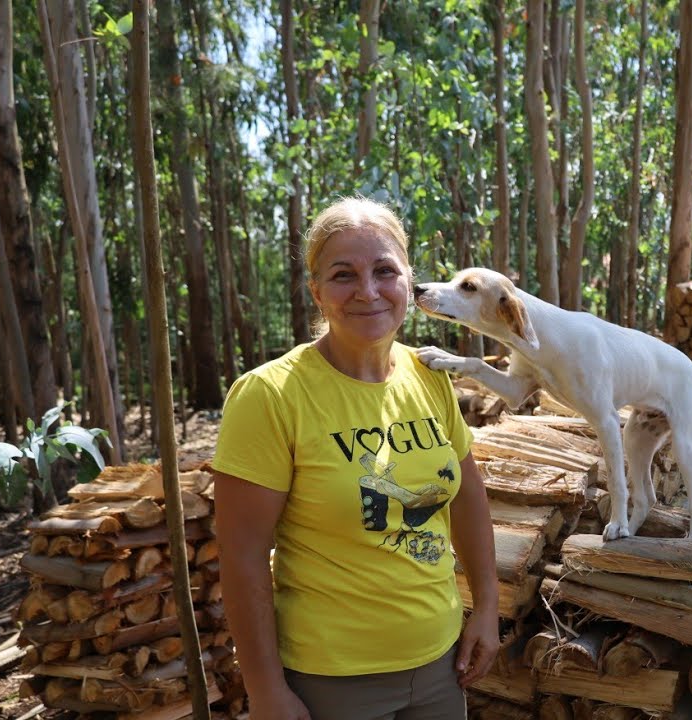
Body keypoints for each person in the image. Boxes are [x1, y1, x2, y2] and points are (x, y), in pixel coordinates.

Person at [211, 197, 499, 720]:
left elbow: (467, 497)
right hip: (333, 681)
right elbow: (243, 555)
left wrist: (487, 607)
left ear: (408, 280)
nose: (368, 291)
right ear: (316, 292)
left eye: (384, 270)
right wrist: (265, 689)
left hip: (440, 664)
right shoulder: (270, 396)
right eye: (343, 275)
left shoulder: (427, 374)